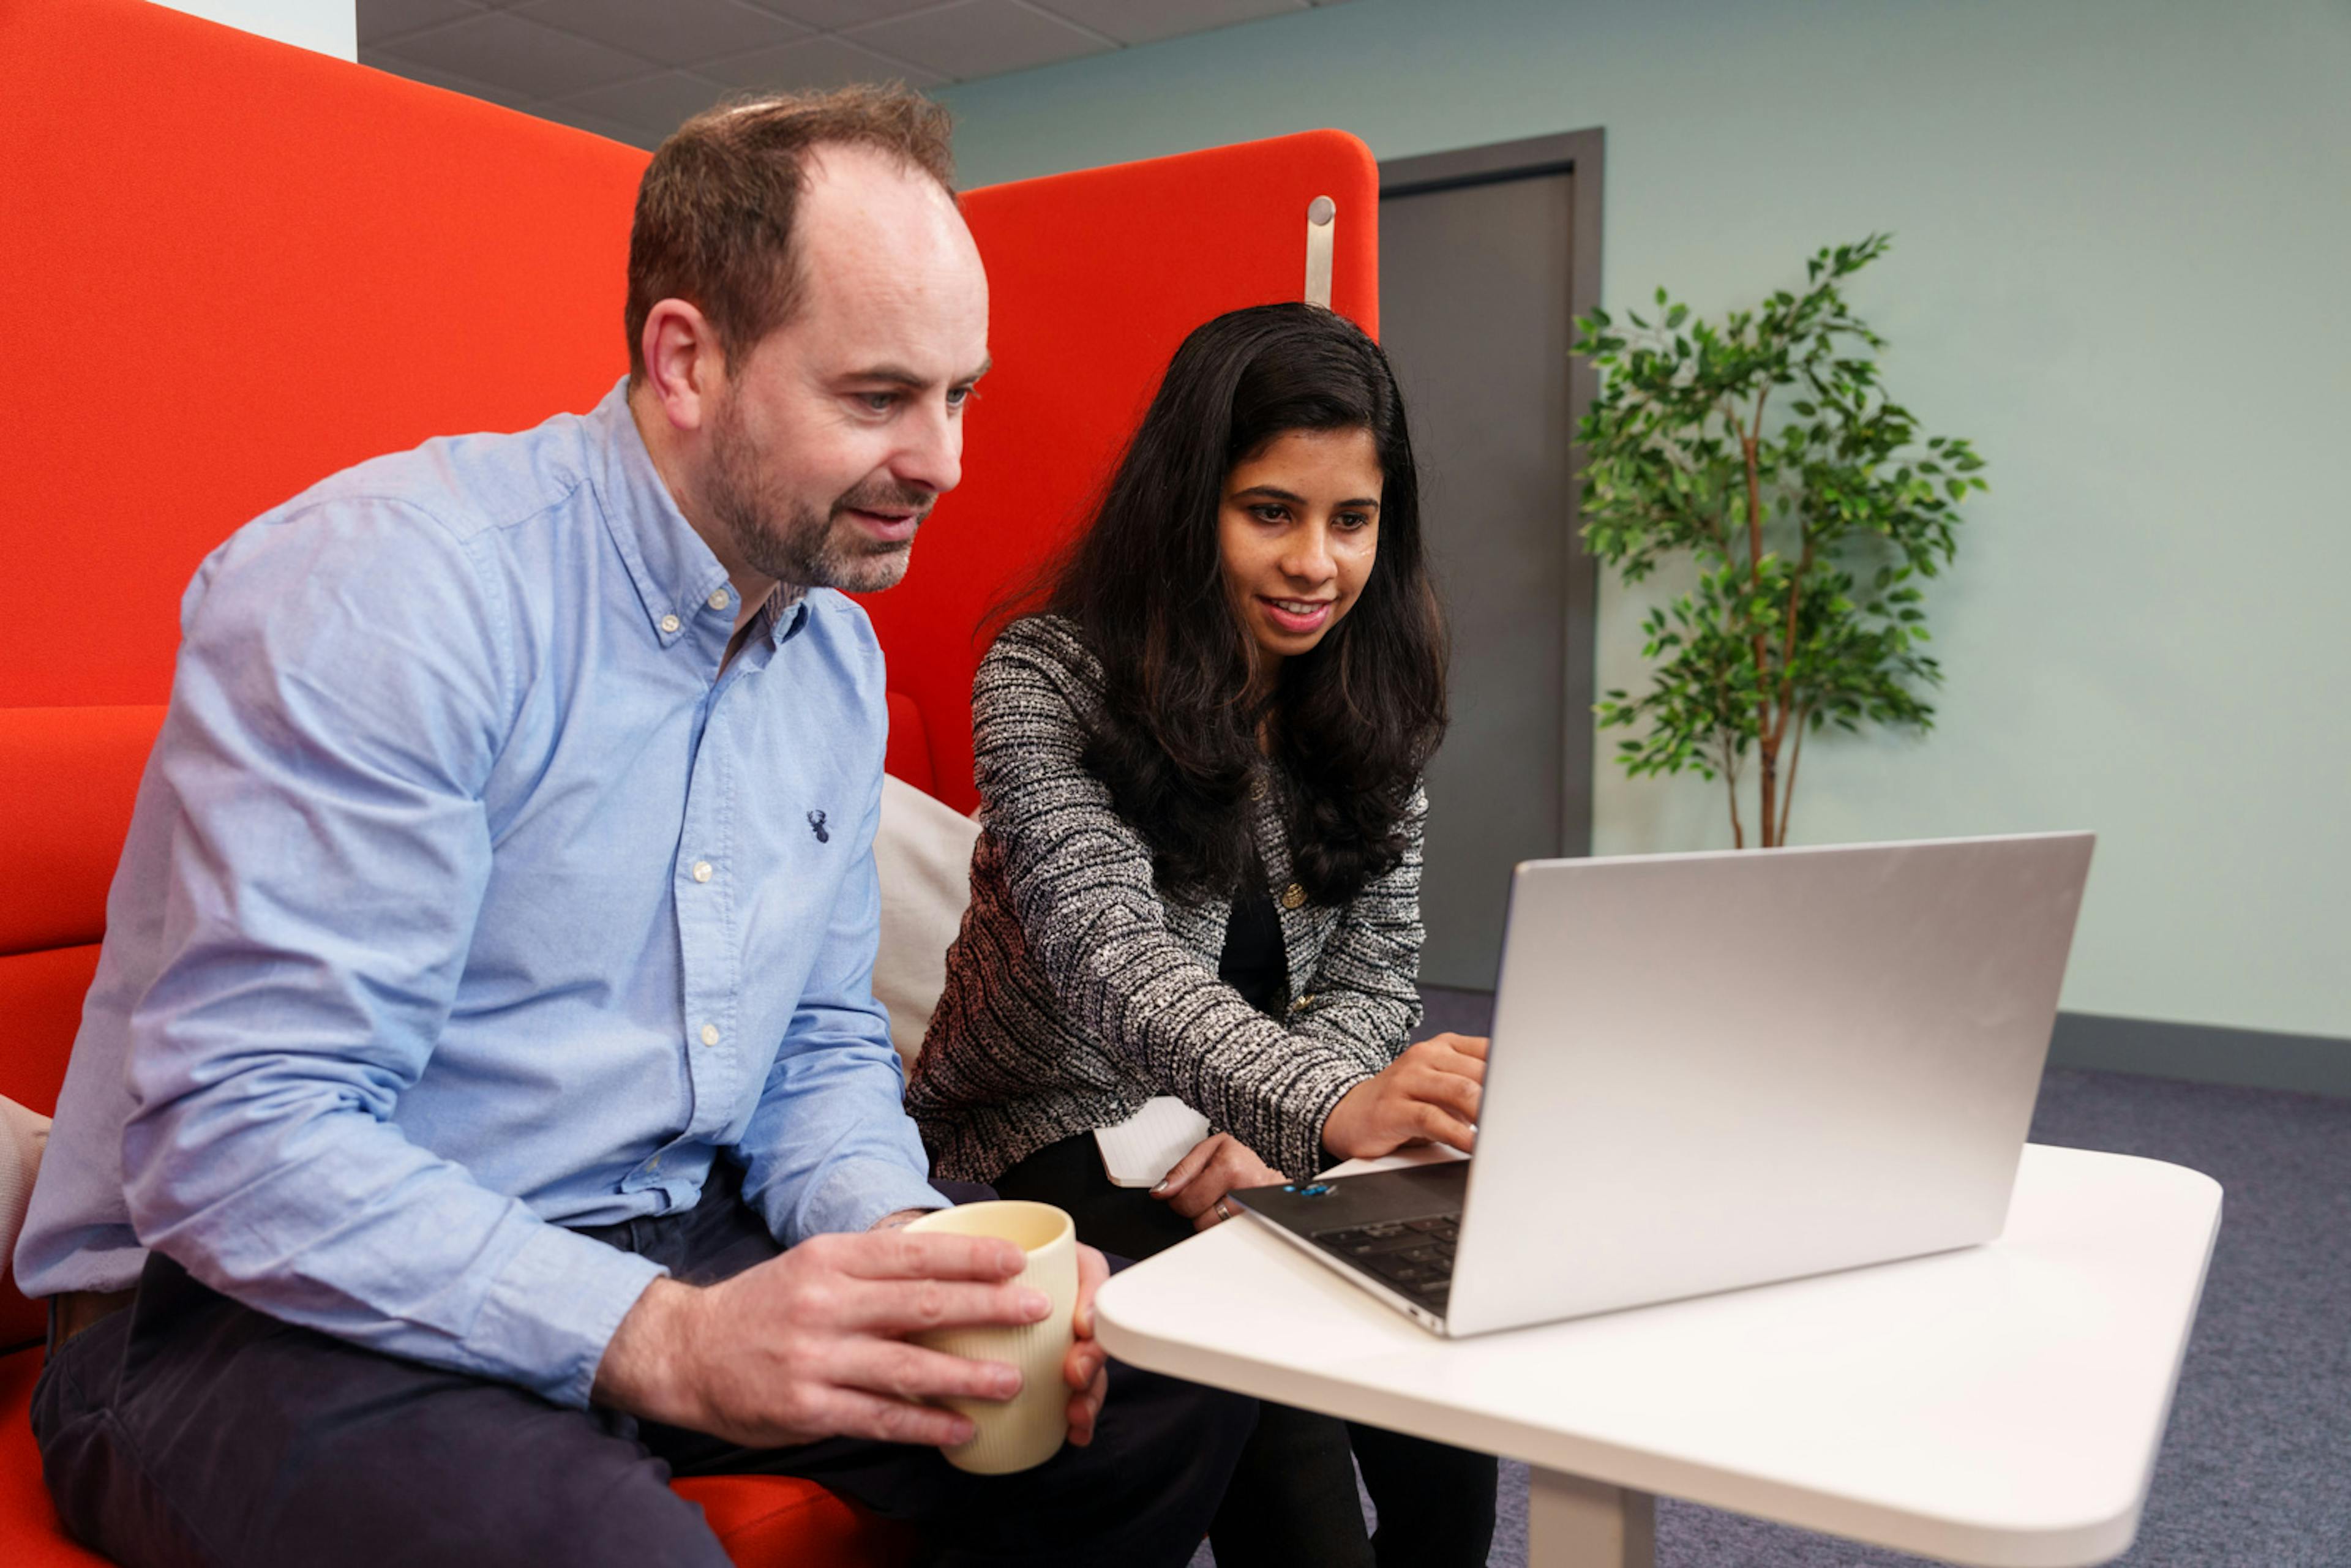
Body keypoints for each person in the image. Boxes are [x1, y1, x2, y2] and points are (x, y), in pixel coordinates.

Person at [13, 88, 1251, 1568]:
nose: (946, 461)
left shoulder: (830, 652)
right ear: (686, 361)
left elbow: (813, 1042)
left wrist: (903, 1246)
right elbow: (242, 1149)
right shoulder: (390, 599)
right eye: (878, 398)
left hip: (659, 1229)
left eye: (960, 395)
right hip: (245, 1310)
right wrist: (666, 1341)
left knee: (1168, 1378)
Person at [906, 302, 1498, 1567]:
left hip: (1271, 1113)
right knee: (1270, 1404)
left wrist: (1287, 1132)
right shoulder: (1045, 675)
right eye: (1270, 512)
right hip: (1056, 1118)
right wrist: (1327, 1112)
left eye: (1354, 521)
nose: (1316, 565)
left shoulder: (1373, 689)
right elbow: (1104, 956)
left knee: (1451, 1416)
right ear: (1191, 507)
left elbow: (1380, 969)